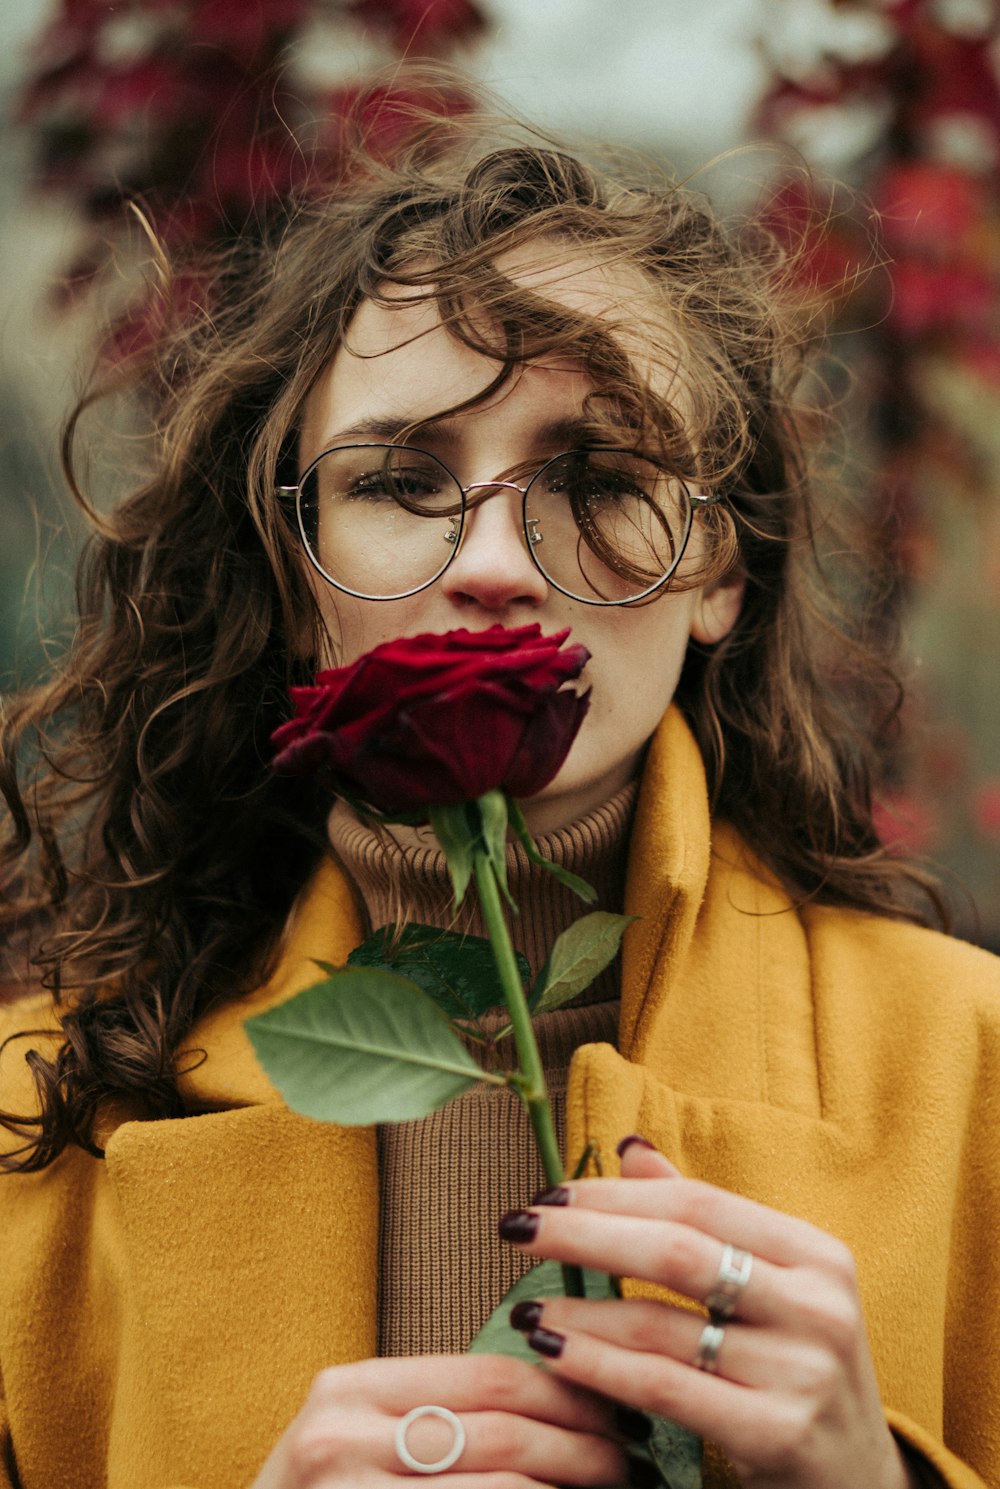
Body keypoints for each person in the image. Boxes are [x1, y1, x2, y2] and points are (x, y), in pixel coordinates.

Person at [1, 85, 998, 1489]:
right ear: (293, 574)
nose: (495, 561)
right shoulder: (36, 1131)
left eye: (596, 472)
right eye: (403, 479)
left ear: (718, 569)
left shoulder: (974, 1066)